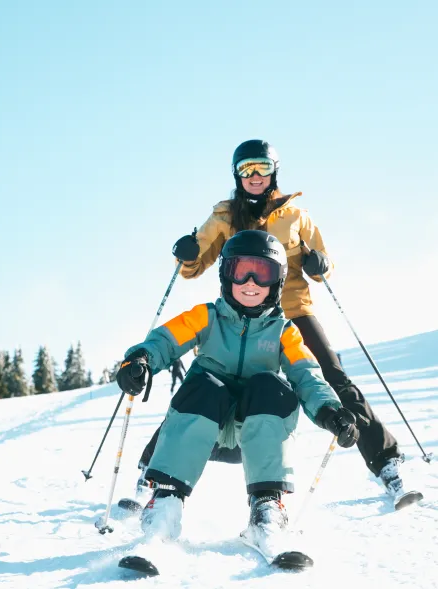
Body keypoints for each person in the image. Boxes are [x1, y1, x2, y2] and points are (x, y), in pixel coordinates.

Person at [137, 139, 410, 502]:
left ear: (274, 172)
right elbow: (193, 266)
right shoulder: (223, 217)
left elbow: (324, 263)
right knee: (211, 378)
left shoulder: (296, 216)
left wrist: (319, 264)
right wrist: (185, 254)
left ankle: (385, 462)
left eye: (262, 167)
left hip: (293, 310)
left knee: (331, 377)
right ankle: (150, 473)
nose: (255, 175)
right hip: (241, 316)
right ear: (237, 174)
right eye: (246, 169)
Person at [114, 230, 359, 551]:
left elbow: (307, 376)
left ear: (277, 281)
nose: (250, 282)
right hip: (206, 428)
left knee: (273, 387)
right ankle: (165, 508)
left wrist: (330, 410)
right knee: (203, 384)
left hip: (253, 436)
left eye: (263, 273)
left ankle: (266, 510)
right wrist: (140, 360)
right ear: (226, 275)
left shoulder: (284, 332)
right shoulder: (207, 317)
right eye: (241, 271)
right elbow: (165, 341)